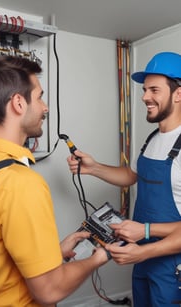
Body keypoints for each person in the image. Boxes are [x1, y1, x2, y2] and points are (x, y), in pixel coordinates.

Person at [0, 55, 110, 307]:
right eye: (40, 96)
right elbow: (49, 290)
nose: (45, 107)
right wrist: (100, 257)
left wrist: (52, 252)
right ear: (19, 103)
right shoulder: (20, 183)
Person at [67, 51, 181, 306]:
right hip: (140, 258)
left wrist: (146, 233)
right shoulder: (152, 138)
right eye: (144, 89)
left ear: (178, 93)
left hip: (172, 266)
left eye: (154, 90)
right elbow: (132, 176)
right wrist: (94, 168)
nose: (144, 97)